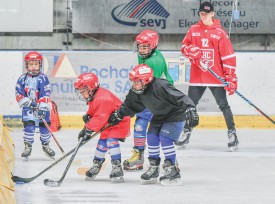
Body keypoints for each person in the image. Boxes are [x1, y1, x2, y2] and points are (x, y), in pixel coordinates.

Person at [108, 64, 199, 186]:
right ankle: (154, 168)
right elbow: (130, 105)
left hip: (175, 114)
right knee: (151, 137)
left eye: (137, 81)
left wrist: (190, 109)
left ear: (146, 80)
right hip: (159, 116)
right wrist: (119, 114)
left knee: (165, 138)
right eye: (133, 82)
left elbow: (180, 97)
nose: (134, 84)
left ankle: (172, 169)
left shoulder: (160, 85)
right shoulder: (136, 91)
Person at [179, 1, 239, 151]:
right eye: (201, 13)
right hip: (197, 77)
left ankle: (232, 133)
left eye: (206, 13)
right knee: (190, 106)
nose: (203, 15)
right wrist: (191, 51)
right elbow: (184, 47)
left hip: (216, 78)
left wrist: (230, 77)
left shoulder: (220, 33)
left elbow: (228, 57)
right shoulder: (193, 30)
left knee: (223, 105)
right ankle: (186, 132)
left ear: (213, 13)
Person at [123, 29, 174, 171]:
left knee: (155, 130)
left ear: (153, 46)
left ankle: (170, 161)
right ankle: (140, 156)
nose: (142, 50)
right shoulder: (145, 56)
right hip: (153, 96)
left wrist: (133, 105)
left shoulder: (153, 61)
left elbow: (147, 86)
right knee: (142, 125)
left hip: (159, 98)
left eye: (146, 47)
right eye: (140, 46)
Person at [74, 73, 131, 183]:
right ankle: (97, 164)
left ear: (90, 88)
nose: (81, 93)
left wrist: (87, 130)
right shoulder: (94, 96)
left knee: (111, 140)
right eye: (80, 90)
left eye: (83, 90)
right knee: (102, 142)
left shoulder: (103, 98)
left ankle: (117, 167)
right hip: (108, 122)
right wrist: (89, 116)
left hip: (120, 122)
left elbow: (100, 118)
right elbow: (95, 110)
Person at [15, 51, 55, 160]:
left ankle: (46, 145)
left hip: (43, 108)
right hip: (28, 108)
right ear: (27, 65)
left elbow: (46, 93)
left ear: (40, 64)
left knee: (44, 127)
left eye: (36, 64)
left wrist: (42, 107)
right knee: (29, 126)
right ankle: (28, 146)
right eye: (31, 64)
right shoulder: (22, 78)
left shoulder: (43, 78)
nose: (33, 67)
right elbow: (18, 93)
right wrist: (28, 102)